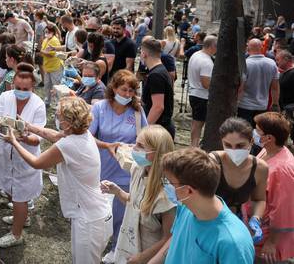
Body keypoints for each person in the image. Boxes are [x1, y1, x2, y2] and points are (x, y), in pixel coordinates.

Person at [4, 97, 112, 263]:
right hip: (95, 214)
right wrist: (29, 126)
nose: (55, 117)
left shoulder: (69, 145)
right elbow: (55, 135)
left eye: (58, 115)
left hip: (89, 220)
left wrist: (14, 142)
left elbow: (36, 163)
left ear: (68, 123)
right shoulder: (83, 134)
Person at [150, 147, 254, 264]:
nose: (165, 185)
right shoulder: (185, 207)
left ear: (188, 190)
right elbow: (176, 239)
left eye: (168, 181)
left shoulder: (234, 243)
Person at [89, 69, 148, 250]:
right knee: (99, 213)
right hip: (102, 168)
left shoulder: (137, 112)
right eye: (124, 90)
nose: (128, 95)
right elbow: (88, 137)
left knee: (122, 215)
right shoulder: (100, 108)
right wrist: (107, 145)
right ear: (114, 88)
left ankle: (116, 249)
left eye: (131, 91)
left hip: (127, 172)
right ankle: (96, 245)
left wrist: (135, 147)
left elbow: (146, 138)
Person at [0, 63, 46, 248]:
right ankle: (21, 218)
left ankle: (16, 234)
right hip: (5, 154)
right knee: (8, 189)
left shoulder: (38, 104)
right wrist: (6, 125)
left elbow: (37, 139)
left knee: (20, 195)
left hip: (25, 157)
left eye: (26, 89)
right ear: (12, 84)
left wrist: (23, 137)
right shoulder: (5, 97)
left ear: (33, 88)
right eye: (18, 88)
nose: (21, 91)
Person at [100, 125, 175, 264]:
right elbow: (133, 202)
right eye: (136, 143)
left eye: (140, 146)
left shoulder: (167, 194)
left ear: (156, 153)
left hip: (149, 257)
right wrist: (117, 191)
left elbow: (169, 238)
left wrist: (142, 258)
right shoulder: (137, 169)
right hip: (128, 248)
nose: (134, 148)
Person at [211, 117, 267, 244]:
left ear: (251, 142)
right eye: (228, 145)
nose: (234, 150)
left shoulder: (260, 168)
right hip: (208, 220)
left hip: (236, 221)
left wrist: (256, 218)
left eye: (240, 146)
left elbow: (259, 199)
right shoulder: (212, 162)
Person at [251, 112, 294, 262]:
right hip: (256, 229)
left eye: (257, 130)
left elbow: (283, 210)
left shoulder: (283, 170)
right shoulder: (266, 150)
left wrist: (272, 242)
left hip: (267, 242)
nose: (253, 132)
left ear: (269, 138)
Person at [238, 38, 280, 125]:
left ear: (248, 49)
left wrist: (236, 103)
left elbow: (241, 88)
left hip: (245, 105)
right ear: (261, 48)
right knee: (258, 132)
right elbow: (275, 87)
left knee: (244, 132)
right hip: (263, 105)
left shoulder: (245, 64)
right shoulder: (272, 63)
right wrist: (275, 103)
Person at [140, 38, 175, 138]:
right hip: (160, 127)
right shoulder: (160, 70)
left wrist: (144, 131)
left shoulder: (156, 75)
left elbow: (158, 107)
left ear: (144, 54)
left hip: (159, 130)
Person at [187, 35, 217, 147]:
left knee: (195, 123)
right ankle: (194, 147)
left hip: (194, 93)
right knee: (198, 124)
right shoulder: (207, 62)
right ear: (212, 46)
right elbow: (206, 84)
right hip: (202, 96)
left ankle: (193, 146)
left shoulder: (196, 54)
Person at [40, 23, 63, 108]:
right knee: (47, 85)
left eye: (48, 32)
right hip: (47, 66)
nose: (46, 33)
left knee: (56, 86)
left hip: (55, 67)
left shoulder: (54, 40)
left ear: (53, 32)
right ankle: (47, 101)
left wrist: (42, 52)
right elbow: (43, 51)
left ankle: (58, 104)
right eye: (45, 32)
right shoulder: (45, 40)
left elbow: (52, 54)